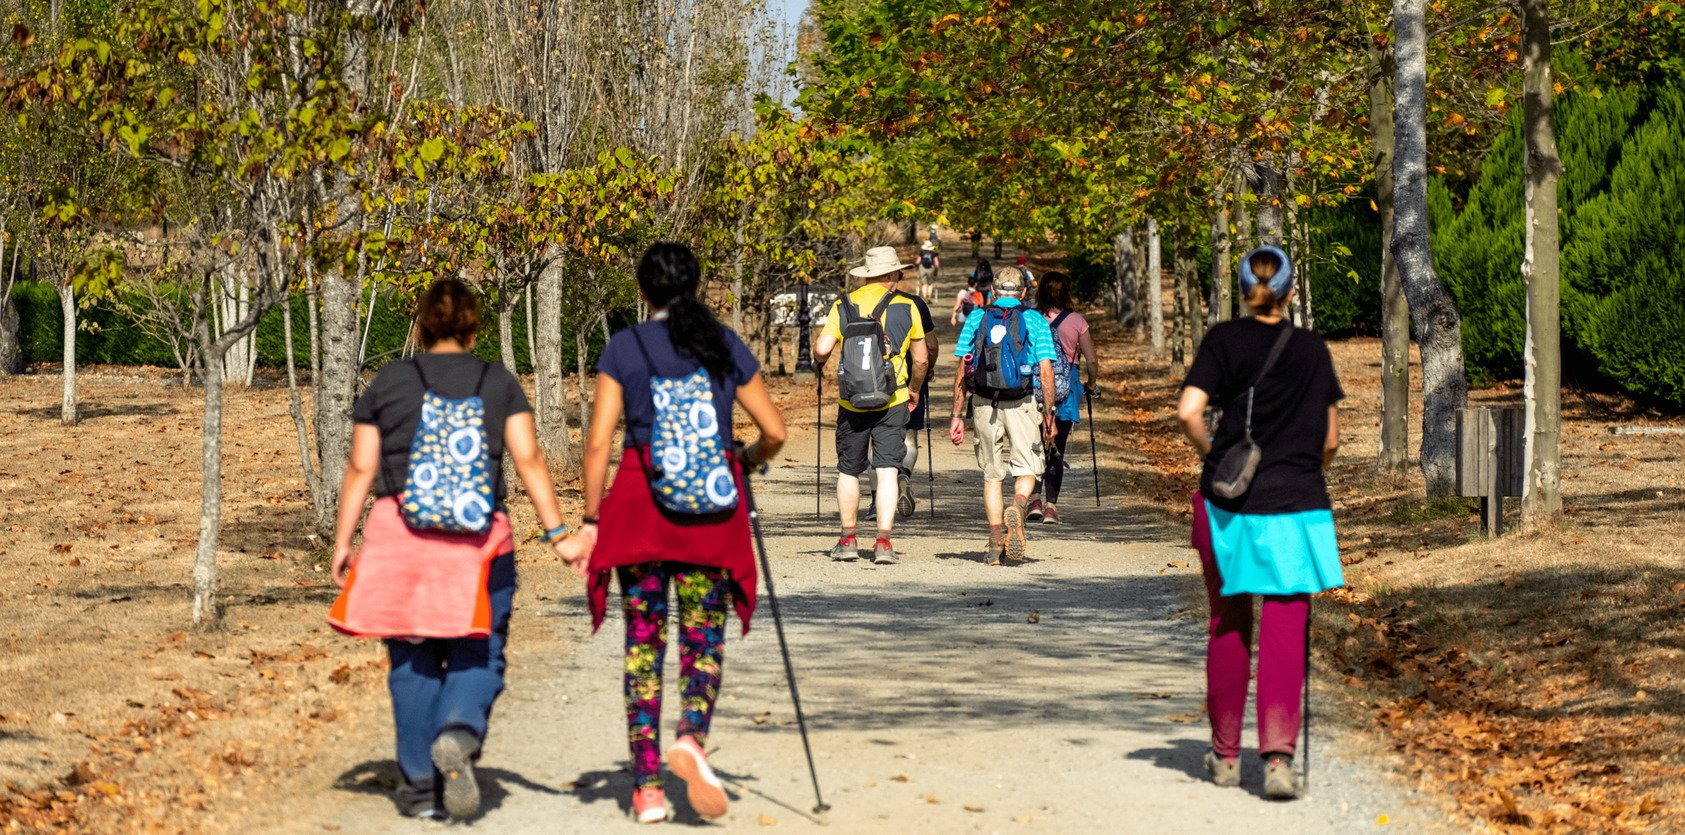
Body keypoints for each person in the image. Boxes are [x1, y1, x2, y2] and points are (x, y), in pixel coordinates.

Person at [331, 278, 579, 822]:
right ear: (473, 329)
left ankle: (420, 787)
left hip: (401, 541)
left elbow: (360, 467)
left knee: (412, 657)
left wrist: (344, 540)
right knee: (479, 649)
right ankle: (459, 730)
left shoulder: (389, 382)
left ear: (420, 327)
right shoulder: (498, 382)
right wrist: (559, 535)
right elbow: (530, 459)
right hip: (480, 546)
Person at [560, 243, 787, 823]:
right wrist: (747, 460)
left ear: (643, 292)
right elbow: (776, 431)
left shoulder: (625, 347)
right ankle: (690, 737)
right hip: (709, 517)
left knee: (643, 645)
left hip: (640, 509)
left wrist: (590, 519)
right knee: (701, 639)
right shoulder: (722, 343)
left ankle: (647, 790)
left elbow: (597, 443)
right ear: (698, 285)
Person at [1175, 246, 1344, 801]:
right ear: (1290, 291)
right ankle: (1277, 760)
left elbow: (1189, 411)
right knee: (1285, 628)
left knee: (1227, 623)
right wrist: (1300, 467)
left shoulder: (1223, 340)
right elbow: (1331, 440)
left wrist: (1212, 456)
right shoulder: (1313, 350)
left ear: (1243, 289)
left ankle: (1225, 756)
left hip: (1229, 504)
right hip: (1294, 504)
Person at [814, 245, 930, 565]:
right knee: (888, 469)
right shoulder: (908, 307)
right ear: (891, 275)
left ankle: (848, 539)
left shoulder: (844, 304)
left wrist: (826, 359)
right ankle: (883, 543)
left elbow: (821, 350)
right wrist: (914, 390)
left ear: (867, 275)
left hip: (851, 401)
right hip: (893, 398)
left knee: (849, 470)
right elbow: (921, 359)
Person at [948, 267, 1057, 565]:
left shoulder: (976, 317)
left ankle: (995, 542)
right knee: (1028, 468)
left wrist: (958, 413)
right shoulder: (1034, 320)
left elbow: (963, 368)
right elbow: (1045, 369)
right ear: (1023, 293)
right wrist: (1049, 412)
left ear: (993, 292)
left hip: (984, 403)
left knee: (992, 474)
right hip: (1022, 402)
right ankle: (1019, 507)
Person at [1027, 272, 1098, 525]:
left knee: (1034, 446)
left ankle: (1033, 500)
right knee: (1057, 447)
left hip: (1034, 386)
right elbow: (1091, 359)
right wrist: (1091, 384)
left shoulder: (1030, 318)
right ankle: (1051, 507)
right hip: (1065, 389)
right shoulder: (1077, 320)